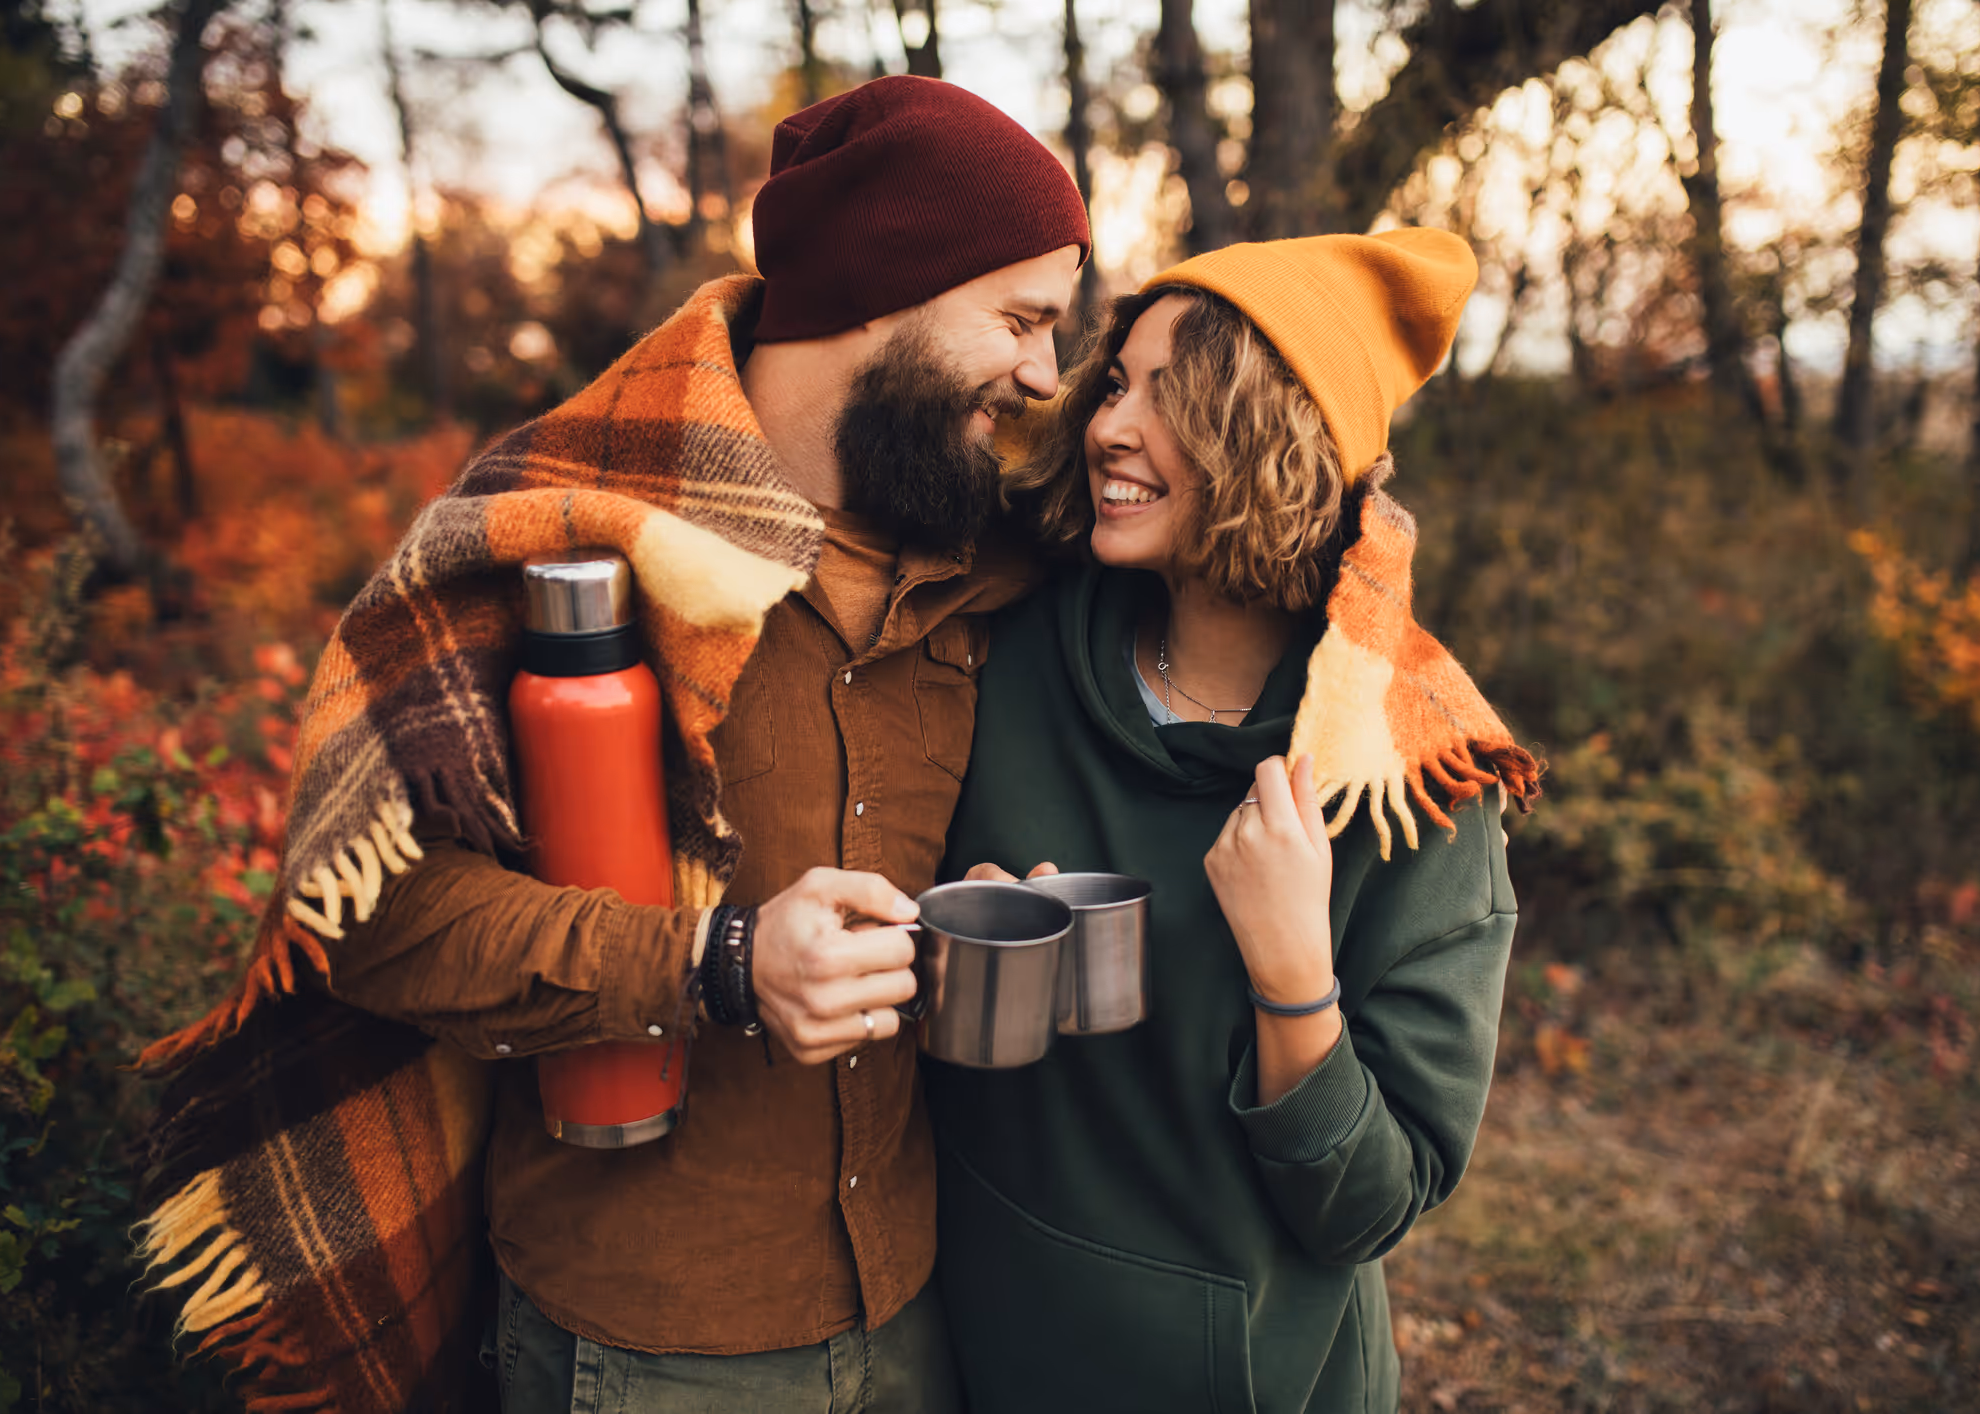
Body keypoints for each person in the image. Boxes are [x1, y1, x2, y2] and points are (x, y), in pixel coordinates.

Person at [133, 76, 1087, 1413]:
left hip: (914, 1312)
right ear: (887, 284)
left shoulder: (979, 559)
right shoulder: (561, 538)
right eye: (1023, 319)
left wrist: (971, 908)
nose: (1047, 372)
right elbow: (373, 918)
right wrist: (723, 960)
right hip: (648, 1349)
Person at [924, 229, 1542, 1413]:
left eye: (1175, 397)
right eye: (1118, 382)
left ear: (1279, 447)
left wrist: (1292, 973)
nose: (1109, 426)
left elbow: (1371, 1204)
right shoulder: (1007, 645)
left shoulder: (1409, 784)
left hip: (1243, 1378)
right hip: (974, 1337)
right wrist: (960, 933)